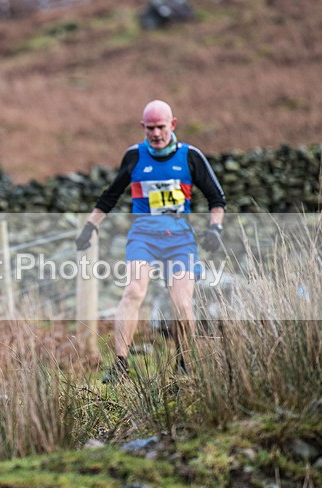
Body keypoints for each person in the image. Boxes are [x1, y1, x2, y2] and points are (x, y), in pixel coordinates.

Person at [76, 99, 226, 377]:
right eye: (150, 128)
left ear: (173, 124)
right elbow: (110, 195)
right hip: (143, 236)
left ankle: (184, 365)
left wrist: (215, 229)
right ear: (142, 127)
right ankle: (120, 364)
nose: (156, 134)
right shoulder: (134, 156)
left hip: (179, 239)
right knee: (133, 291)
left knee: (181, 302)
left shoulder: (190, 156)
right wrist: (89, 227)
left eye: (161, 127)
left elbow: (216, 198)